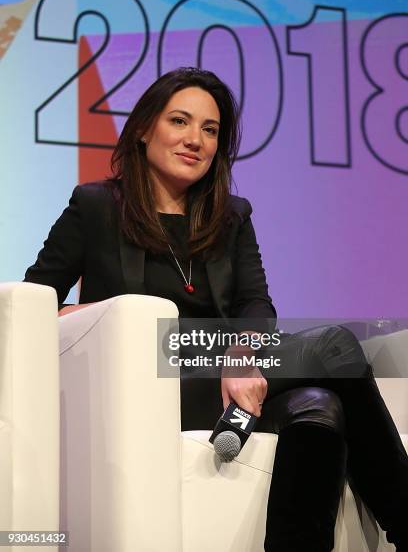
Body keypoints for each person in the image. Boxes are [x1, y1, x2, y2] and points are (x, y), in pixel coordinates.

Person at [24, 67, 408, 552]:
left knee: (319, 407)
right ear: (144, 129)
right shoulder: (95, 206)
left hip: (224, 373)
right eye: (180, 121)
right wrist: (107, 312)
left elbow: (255, 303)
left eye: (210, 130)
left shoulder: (232, 215)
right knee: (335, 347)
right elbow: (32, 303)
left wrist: (242, 354)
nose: (195, 140)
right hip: (146, 382)